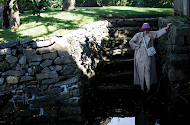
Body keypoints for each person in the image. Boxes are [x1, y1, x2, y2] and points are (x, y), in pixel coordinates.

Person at [129, 23, 172, 92]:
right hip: (139, 54)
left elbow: (158, 33)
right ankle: (142, 87)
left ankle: (148, 87)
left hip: (147, 54)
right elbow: (131, 42)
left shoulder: (151, 34)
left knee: (147, 70)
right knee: (140, 70)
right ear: (142, 29)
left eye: (147, 30)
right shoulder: (138, 35)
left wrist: (166, 28)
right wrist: (138, 47)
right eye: (145, 30)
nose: (146, 31)